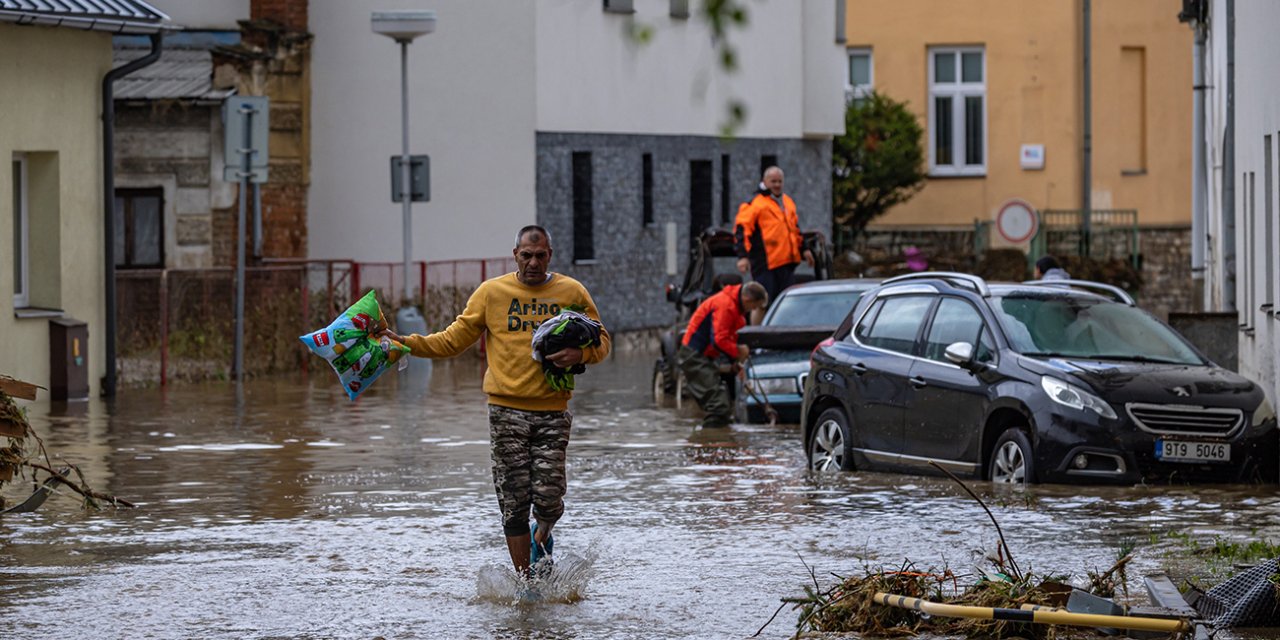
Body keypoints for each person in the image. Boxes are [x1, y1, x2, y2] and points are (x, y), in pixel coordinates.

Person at [380, 225, 610, 579]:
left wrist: (580, 352)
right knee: (514, 504)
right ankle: (526, 583)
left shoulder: (572, 292)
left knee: (549, 500)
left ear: (550, 255)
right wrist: (406, 343)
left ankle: (542, 536)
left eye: (540, 255)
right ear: (514, 255)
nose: (533, 262)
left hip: (552, 410)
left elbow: (603, 341)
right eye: (526, 255)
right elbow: (452, 340)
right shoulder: (492, 293)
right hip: (505, 411)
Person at [677, 281, 769, 428]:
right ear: (748, 300)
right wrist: (738, 351)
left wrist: (735, 363)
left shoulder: (735, 309)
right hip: (694, 355)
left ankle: (719, 442)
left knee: (724, 403)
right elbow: (719, 340)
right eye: (755, 307)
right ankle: (710, 444)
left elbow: (726, 339)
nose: (754, 310)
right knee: (718, 406)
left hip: (704, 356)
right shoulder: (725, 305)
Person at [734, 166, 814, 323]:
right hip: (765, 264)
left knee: (786, 304)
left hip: (786, 263)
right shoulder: (755, 203)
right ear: (764, 182)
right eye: (773, 181)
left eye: (779, 181)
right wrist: (743, 256)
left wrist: (804, 249)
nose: (777, 185)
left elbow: (795, 229)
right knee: (761, 303)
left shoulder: (787, 202)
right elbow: (742, 229)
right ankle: (757, 339)